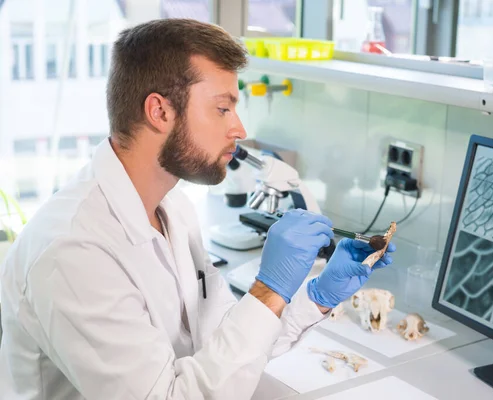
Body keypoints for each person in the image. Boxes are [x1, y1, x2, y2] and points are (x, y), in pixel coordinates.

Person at [0, 19, 396, 400]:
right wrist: (268, 289)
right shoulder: (74, 251)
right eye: (222, 108)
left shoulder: (172, 206)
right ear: (160, 112)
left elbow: (223, 346)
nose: (239, 128)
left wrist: (316, 296)